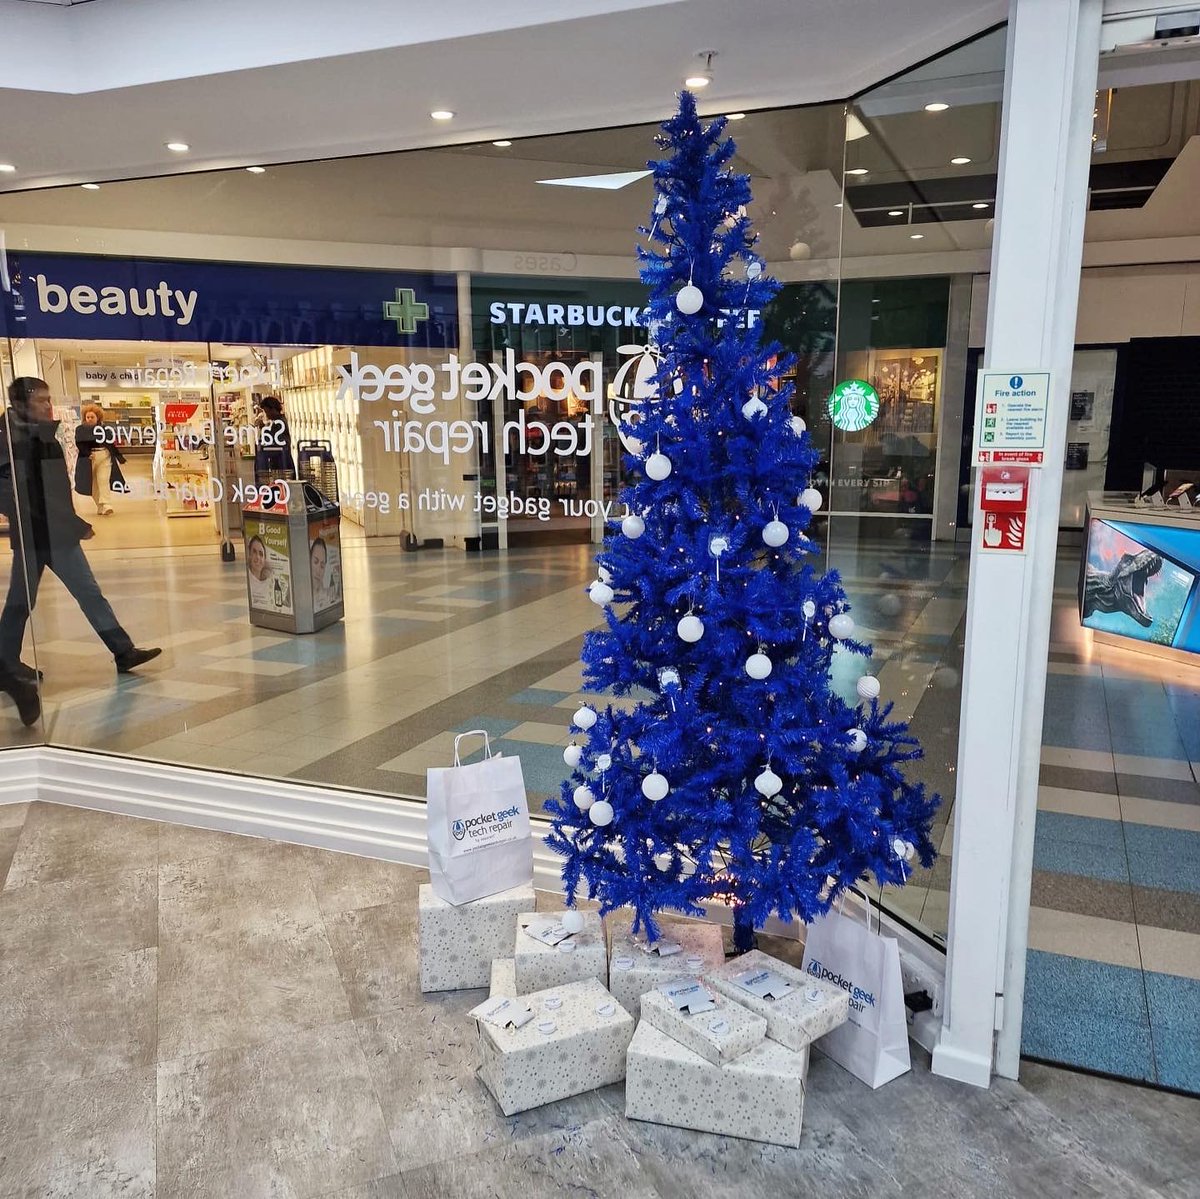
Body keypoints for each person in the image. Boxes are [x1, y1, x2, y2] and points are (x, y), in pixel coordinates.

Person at [0, 378, 161, 726]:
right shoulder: (9, 440)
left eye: (48, 398)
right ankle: (6, 663)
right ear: (22, 403)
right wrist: (65, 522)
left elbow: (53, 488)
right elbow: (17, 494)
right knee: (20, 601)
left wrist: (68, 522)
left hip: (58, 533)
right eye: (41, 400)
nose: (48, 405)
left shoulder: (43, 435)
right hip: (34, 535)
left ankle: (122, 650)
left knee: (88, 591)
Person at [74, 403, 127, 516]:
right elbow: (79, 443)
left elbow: (110, 444)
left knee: (103, 480)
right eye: (87, 417)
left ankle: (107, 505)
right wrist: (87, 453)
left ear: (98, 418)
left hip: (104, 456)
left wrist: (119, 457)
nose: (89, 419)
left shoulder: (105, 429)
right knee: (93, 484)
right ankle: (100, 505)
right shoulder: (80, 429)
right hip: (89, 459)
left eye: (92, 417)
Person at [254, 395, 295, 482]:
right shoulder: (278, 421)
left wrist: (263, 428)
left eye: (267, 411)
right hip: (279, 462)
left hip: (282, 461)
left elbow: (274, 440)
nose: (267, 415)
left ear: (273, 409)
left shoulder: (280, 423)